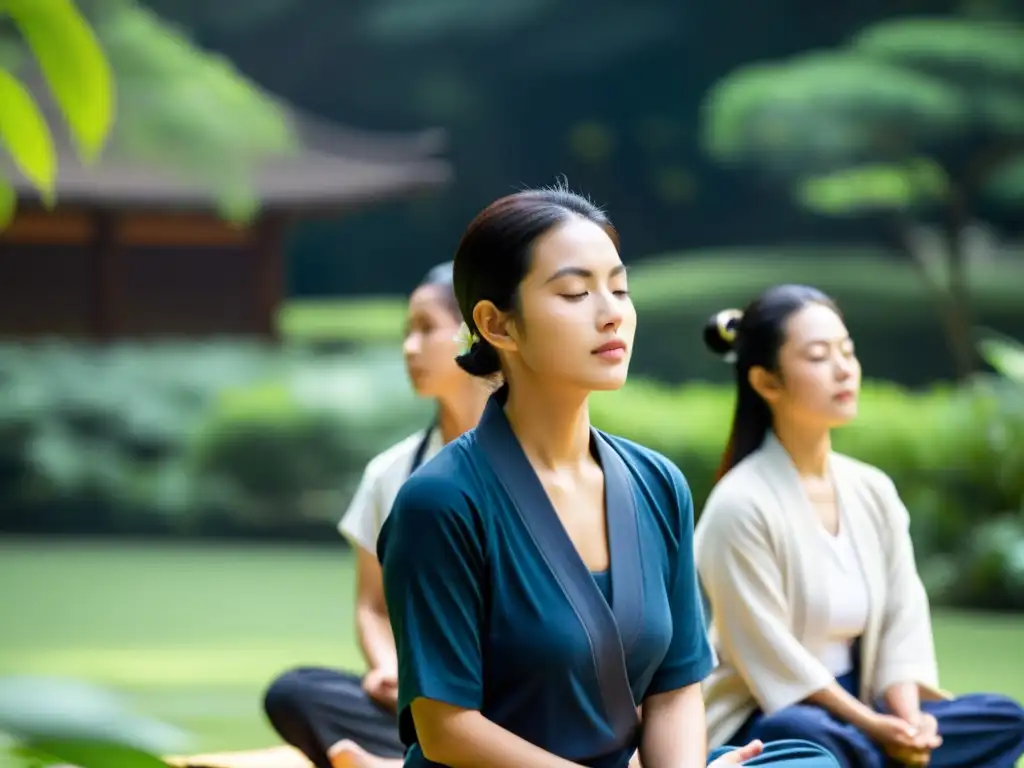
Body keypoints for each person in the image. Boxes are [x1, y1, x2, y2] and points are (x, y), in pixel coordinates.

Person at [376, 185, 841, 768]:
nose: (611, 311)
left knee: (808, 761)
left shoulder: (658, 484)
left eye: (619, 288)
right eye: (575, 292)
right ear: (498, 325)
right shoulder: (440, 502)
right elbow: (447, 730)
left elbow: (675, 691)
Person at [694, 284, 1024, 768]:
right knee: (804, 733)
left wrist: (907, 719)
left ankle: (882, 756)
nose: (844, 368)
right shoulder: (739, 505)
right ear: (767, 382)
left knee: (1004, 717)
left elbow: (901, 618)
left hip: (867, 704)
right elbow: (772, 659)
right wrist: (875, 728)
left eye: (847, 351)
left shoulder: (871, 490)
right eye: (819, 356)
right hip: (773, 714)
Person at [262, 263, 490, 768]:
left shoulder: (538, 463)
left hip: (519, 698)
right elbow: (374, 606)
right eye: (406, 332)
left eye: (427, 329)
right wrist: (390, 668)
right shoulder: (391, 472)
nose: (410, 348)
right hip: (424, 699)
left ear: (478, 331)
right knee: (295, 693)